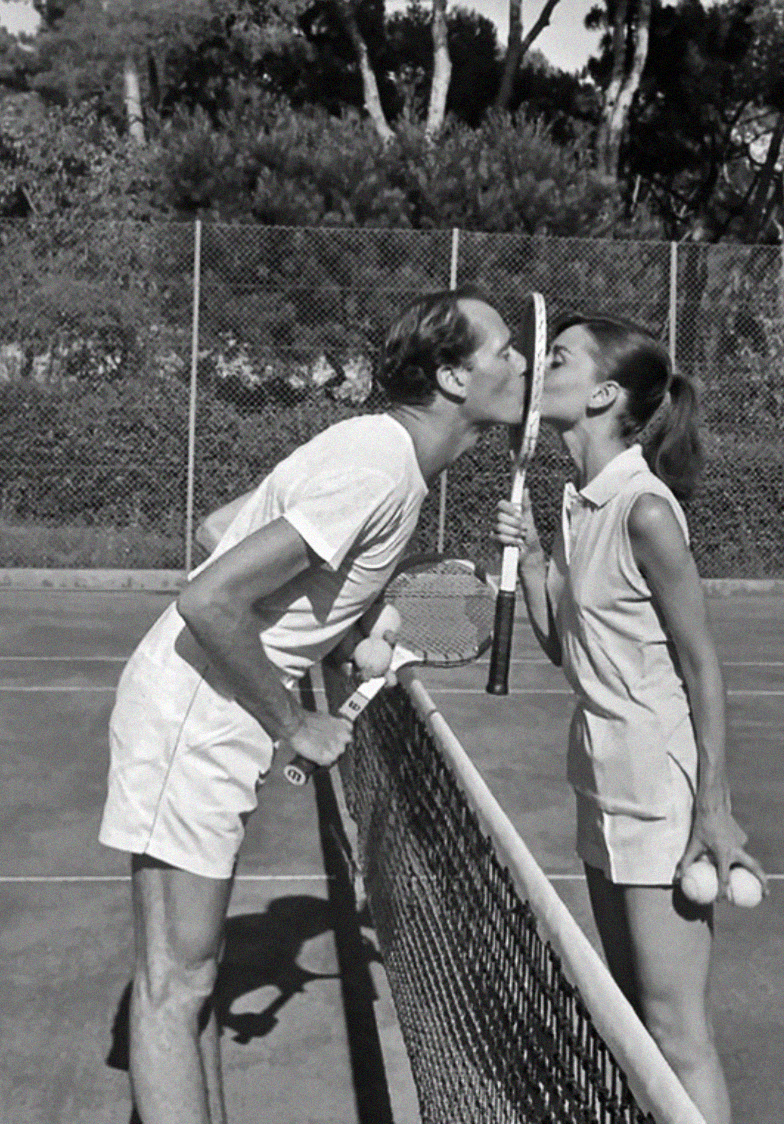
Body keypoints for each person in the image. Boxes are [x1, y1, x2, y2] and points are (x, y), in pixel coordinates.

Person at [99, 286, 527, 1124]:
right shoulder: (380, 467)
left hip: (197, 711)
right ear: (450, 376)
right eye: (503, 350)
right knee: (172, 987)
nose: (519, 363)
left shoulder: (380, 456)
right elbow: (210, 599)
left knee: (192, 981)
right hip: (192, 713)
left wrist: (338, 619)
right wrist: (297, 723)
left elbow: (220, 526)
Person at [493, 313, 766, 1124]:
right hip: (600, 771)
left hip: (656, 785)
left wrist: (712, 808)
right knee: (630, 1025)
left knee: (677, 1032)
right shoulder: (580, 501)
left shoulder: (643, 508)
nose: (541, 367)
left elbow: (702, 663)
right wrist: (539, 556)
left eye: (559, 358)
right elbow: (569, 654)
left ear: (604, 393)